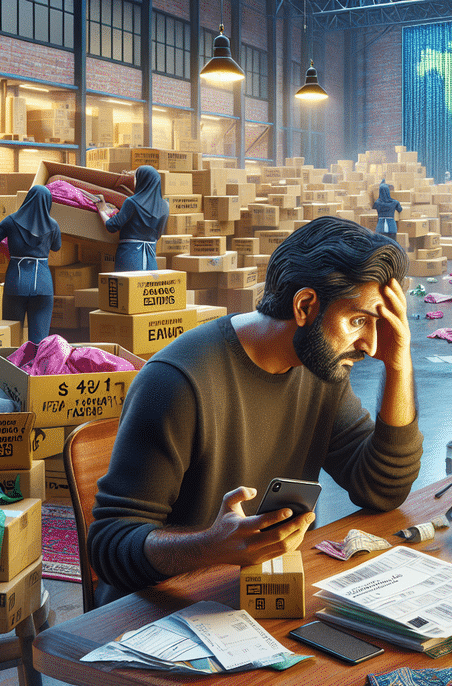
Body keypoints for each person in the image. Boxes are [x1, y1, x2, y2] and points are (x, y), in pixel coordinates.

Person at [88, 217, 423, 606]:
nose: (369, 344)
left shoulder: (320, 370)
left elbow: (382, 488)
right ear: (305, 306)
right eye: (358, 321)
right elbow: (109, 544)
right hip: (155, 618)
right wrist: (210, 546)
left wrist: (400, 364)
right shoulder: (177, 382)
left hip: (254, 601)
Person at [0, 185, 60, 344]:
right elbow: (56, 247)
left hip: (16, 283)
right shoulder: (52, 225)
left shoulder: (10, 221)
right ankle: (35, 367)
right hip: (43, 285)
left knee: (12, 337)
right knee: (39, 340)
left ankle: (14, 367)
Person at [96, 165, 169, 271]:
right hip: (151, 259)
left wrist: (102, 210)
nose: (134, 181)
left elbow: (112, 226)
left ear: (142, 180)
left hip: (130, 257)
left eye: (136, 178)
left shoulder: (132, 202)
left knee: (128, 286)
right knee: (147, 286)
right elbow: (159, 234)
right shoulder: (165, 206)